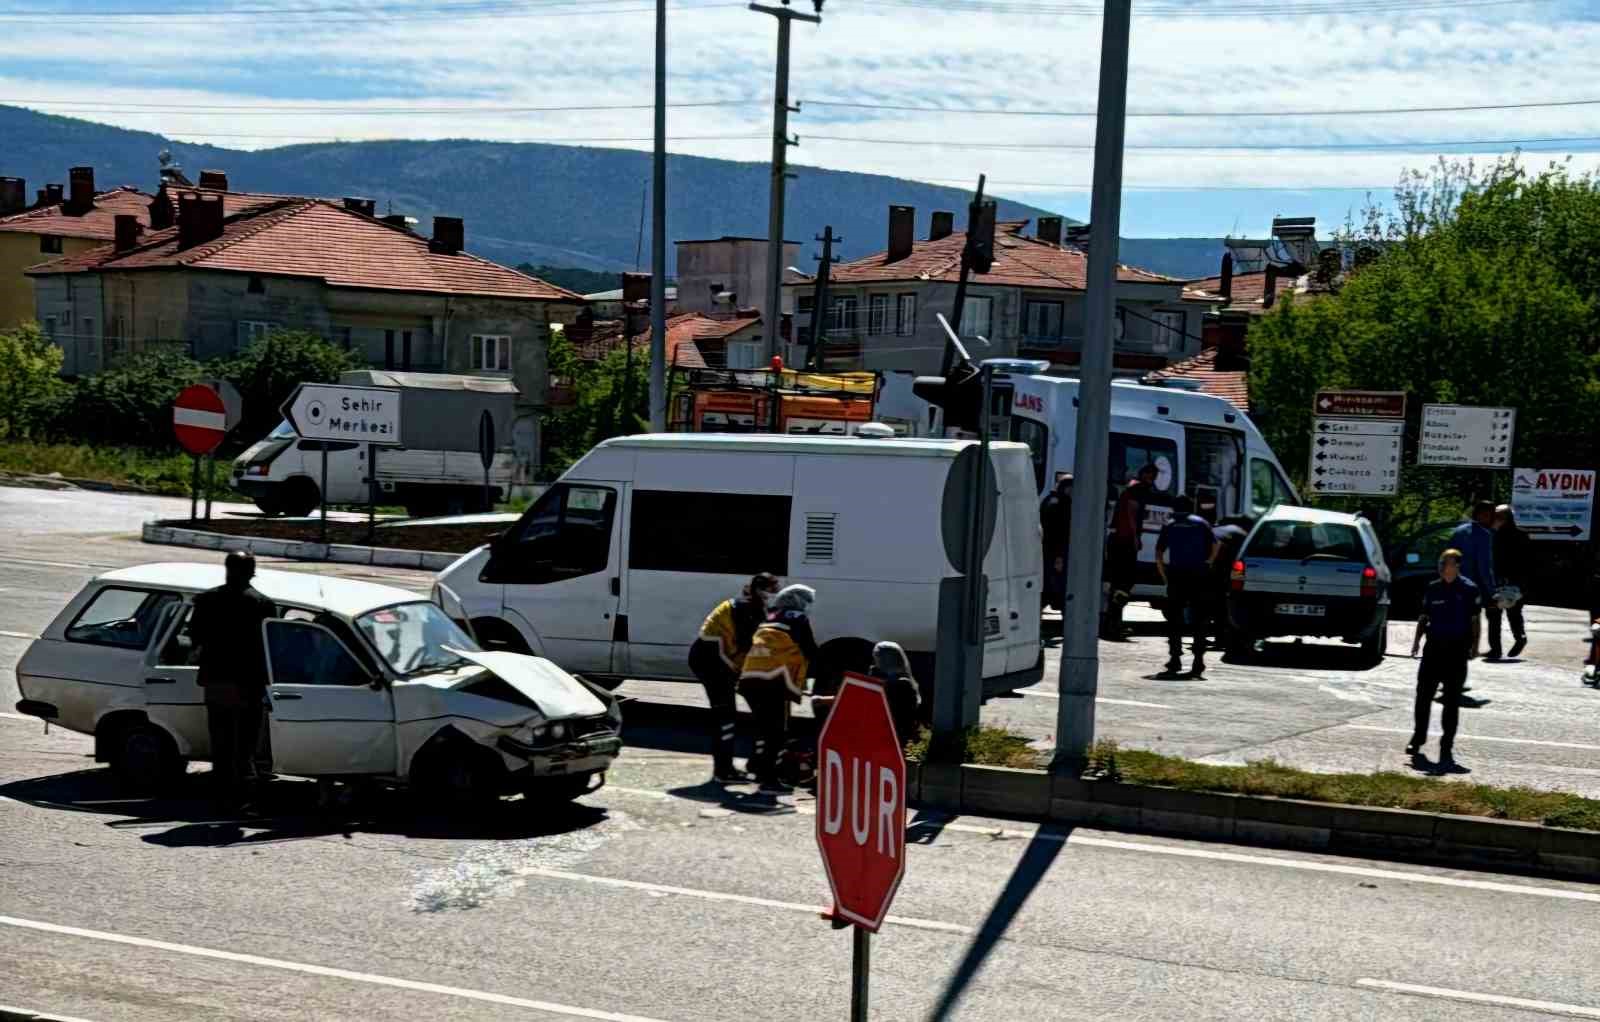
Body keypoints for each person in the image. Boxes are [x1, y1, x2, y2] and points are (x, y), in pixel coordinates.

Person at [189, 550, 278, 809]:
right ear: (252, 572)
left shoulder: (207, 600)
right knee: (246, 744)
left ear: (226, 569)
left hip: (216, 682)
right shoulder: (262, 604)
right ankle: (241, 795)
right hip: (248, 684)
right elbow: (271, 647)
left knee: (221, 740)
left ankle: (222, 791)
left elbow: (195, 638)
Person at [688, 572, 780, 783]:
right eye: (770, 591)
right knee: (725, 715)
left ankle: (726, 768)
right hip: (709, 659)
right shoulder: (744, 609)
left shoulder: (754, 608)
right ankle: (723, 771)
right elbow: (745, 647)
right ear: (758, 590)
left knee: (727, 714)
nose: (773, 596)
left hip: (716, 658)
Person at [738, 585, 819, 793]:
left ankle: (755, 764)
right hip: (774, 679)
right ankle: (769, 779)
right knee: (776, 731)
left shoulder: (770, 616)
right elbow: (809, 649)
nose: (809, 607)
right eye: (807, 602)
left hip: (750, 677)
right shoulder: (798, 618)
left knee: (762, 725)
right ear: (800, 601)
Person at [1407, 549, 1478, 771]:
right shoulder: (1433, 587)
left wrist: (1475, 646)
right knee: (1423, 696)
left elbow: (1475, 620)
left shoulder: (1469, 589)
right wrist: (1416, 641)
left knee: (1451, 701)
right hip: (1433, 650)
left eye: (1445, 563)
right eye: (1440, 562)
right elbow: (1424, 616)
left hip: (1456, 651)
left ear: (1456, 565)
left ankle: (1446, 745)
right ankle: (1418, 739)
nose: (1441, 566)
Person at [1155, 495, 1218, 677]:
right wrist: (1208, 562)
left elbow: (1158, 553)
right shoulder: (1201, 523)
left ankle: (1175, 659)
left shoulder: (1170, 524)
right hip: (1199, 575)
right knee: (1200, 619)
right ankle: (1198, 661)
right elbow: (1216, 545)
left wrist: (1165, 577)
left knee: (1175, 619)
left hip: (1177, 575)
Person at [1103, 463, 1159, 641]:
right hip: (1124, 541)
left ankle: (1113, 623)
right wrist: (1135, 538)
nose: (1152, 479)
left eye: (1154, 476)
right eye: (1150, 475)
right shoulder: (1136, 491)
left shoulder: (1135, 489)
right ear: (1144, 475)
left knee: (1120, 584)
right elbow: (1130, 514)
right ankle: (1112, 625)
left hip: (1120, 541)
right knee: (1124, 582)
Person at [1449, 500, 1497, 656]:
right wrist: (1491, 591)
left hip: (1455, 580)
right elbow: (1484, 567)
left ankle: (1456, 645)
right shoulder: (1484, 535)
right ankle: (1471, 648)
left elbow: (1448, 558)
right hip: (1473, 584)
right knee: (1474, 616)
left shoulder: (1458, 531)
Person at [1488, 504, 1529, 660]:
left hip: (1510, 582)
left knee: (1506, 613)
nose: (1496, 519)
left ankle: (1514, 641)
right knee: (1501, 614)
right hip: (1504, 582)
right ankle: (1501, 646)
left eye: (1499, 516)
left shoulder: (1512, 536)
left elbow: (1527, 562)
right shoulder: (1495, 534)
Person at [1209, 516, 1252, 640]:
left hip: (1213, 570)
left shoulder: (1214, 530)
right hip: (1231, 571)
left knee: (1215, 602)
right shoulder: (1243, 534)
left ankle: (1216, 635)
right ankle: (1227, 634)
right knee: (1230, 600)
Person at [1039, 473, 1073, 611]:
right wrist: (1059, 557)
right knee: (1055, 588)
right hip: (1056, 552)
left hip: (1046, 550)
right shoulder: (1063, 503)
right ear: (1067, 488)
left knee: (1047, 586)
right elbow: (1060, 531)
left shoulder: (1049, 500)